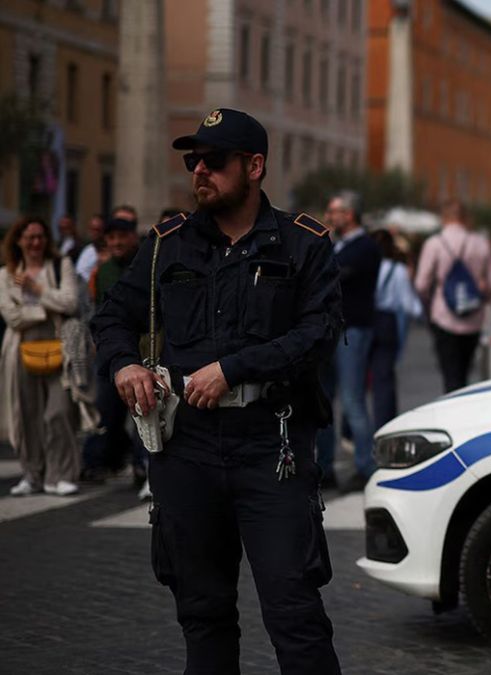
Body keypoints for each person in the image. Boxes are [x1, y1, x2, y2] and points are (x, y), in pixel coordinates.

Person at [90, 107, 343, 674]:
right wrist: (124, 365)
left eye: (214, 160)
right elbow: (110, 317)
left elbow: (319, 333)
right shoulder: (166, 245)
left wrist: (235, 368)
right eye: (192, 160)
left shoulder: (303, 244)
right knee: (202, 614)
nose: (199, 171)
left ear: (254, 166)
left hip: (270, 447)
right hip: (187, 448)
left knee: (294, 613)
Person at [0, 216, 82, 496]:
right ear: (19, 240)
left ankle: (62, 474)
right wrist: (46, 309)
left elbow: (70, 302)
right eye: (30, 237)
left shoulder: (61, 266)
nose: (36, 242)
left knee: (58, 413)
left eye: (40, 236)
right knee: (27, 415)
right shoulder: (5, 274)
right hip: (20, 351)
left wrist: (37, 291)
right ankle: (32, 474)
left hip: (59, 347)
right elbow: (12, 317)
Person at [80, 215, 150, 497]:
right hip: (111, 351)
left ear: (133, 237)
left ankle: (141, 464)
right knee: (106, 408)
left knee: (143, 409)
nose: (117, 242)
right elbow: (98, 308)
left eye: (122, 236)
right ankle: (103, 459)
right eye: (111, 238)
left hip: (144, 348)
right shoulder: (103, 270)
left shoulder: (144, 264)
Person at [320, 191, 381, 492]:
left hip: (353, 331)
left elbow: (332, 274)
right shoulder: (337, 244)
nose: (329, 216)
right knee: (323, 399)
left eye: (334, 211)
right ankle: (324, 467)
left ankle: (366, 467)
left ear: (350, 214)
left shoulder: (365, 247)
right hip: (330, 331)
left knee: (353, 399)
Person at [415, 200, 491, 392]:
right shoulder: (481, 243)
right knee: (464, 372)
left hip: (443, 316)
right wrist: (481, 295)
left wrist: (429, 304)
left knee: (450, 375)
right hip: (474, 317)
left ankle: (452, 411)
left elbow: (421, 284)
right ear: (466, 217)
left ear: (444, 217)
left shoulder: (434, 243)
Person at [368, 229, 422, 429]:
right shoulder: (397, 270)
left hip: (363, 321)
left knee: (355, 381)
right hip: (386, 322)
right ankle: (384, 425)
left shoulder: (365, 266)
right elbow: (409, 305)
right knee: (384, 379)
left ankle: (352, 429)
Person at [73, 212, 106, 281]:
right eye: (91, 229)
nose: (93, 233)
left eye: (97, 230)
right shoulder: (87, 249)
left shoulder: (108, 253)